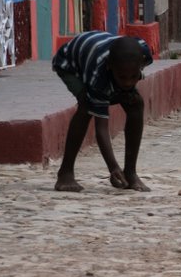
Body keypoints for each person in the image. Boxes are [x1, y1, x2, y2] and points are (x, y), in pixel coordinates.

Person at [52, 31, 154, 192]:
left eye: (134, 76)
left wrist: (126, 88)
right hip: (70, 64)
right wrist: (112, 167)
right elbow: (101, 128)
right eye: (122, 77)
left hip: (100, 53)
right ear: (110, 67)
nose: (128, 82)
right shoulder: (98, 75)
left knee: (135, 103)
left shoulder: (143, 52)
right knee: (86, 107)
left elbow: (127, 75)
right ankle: (65, 173)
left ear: (141, 65)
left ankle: (130, 172)